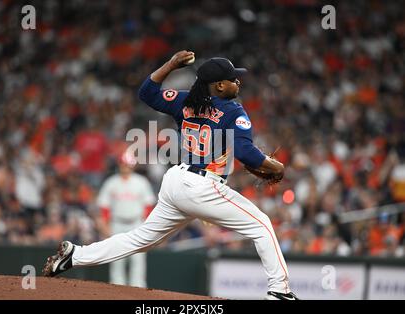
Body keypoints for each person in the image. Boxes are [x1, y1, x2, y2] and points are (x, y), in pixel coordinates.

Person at [43, 50, 299, 300]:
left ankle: (75, 256)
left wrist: (171, 64)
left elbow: (146, 92)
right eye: (233, 78)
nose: (238, 81)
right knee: (262, 225)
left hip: (176, 181)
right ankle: (279, 291)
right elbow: (246, 152)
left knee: (140, 239)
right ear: (220, 86)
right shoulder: (234, 111)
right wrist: (276, 167)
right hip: (203, 185)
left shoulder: (186, 100)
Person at [96, 151, 155, 287]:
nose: (126, 167)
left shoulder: (141, 182)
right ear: (120, 164)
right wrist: (105, 225)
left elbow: (148, 205)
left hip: (136, 223)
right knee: (117, 258)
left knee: (138, 259)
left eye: (128, 165)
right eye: (124, 164)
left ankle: (138, 289)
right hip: (117, 224)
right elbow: (104, 206)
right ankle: (116, 290)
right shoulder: (111, 182)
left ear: (133, 166)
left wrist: (146, 225)